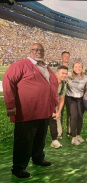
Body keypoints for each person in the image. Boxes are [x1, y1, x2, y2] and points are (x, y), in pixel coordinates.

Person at [3, 43, 57, 179]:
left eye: (41, 50)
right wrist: (10, 105)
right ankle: (18, 168)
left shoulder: (45, 67)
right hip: (27, 111)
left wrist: (53, 105)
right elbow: (8, 81)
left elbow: (52, 86)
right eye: (36, 50)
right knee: (24, 140)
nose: (39, 52)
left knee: (40, 137)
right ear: (30, 51)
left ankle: (38, 158)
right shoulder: (21, 65)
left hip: (44, 110)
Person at [66, 61, 87, 145]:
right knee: (74, 116)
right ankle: (73, 137)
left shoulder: (86, 78)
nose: (78, 68)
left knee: (80, 116)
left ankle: (78, 135)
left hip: (80, 99)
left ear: (82, 68)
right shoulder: (68, 76)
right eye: (76, 67)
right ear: (72, 68)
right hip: (70, 98)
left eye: (79, 67)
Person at [49, 65, 68, 149]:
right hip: (43, 105)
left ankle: (54, 140)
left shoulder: (64, 84)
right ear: (56, 73)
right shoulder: (49, 81)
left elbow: (62, 99)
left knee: (53, 120)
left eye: (66, 73)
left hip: (53, 105)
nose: (64, 75)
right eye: (62, 73)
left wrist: (58, 112)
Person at [57, 51, 71, 139]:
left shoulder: (72, 69)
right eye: (64, 56)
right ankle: (59, 132)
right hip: (60, 93)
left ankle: (69, 131)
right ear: (61, 57)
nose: (66, 58)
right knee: (59, 112)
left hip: (69, 94)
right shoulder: (57, 68)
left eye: (67, 56)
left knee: (70, 113)